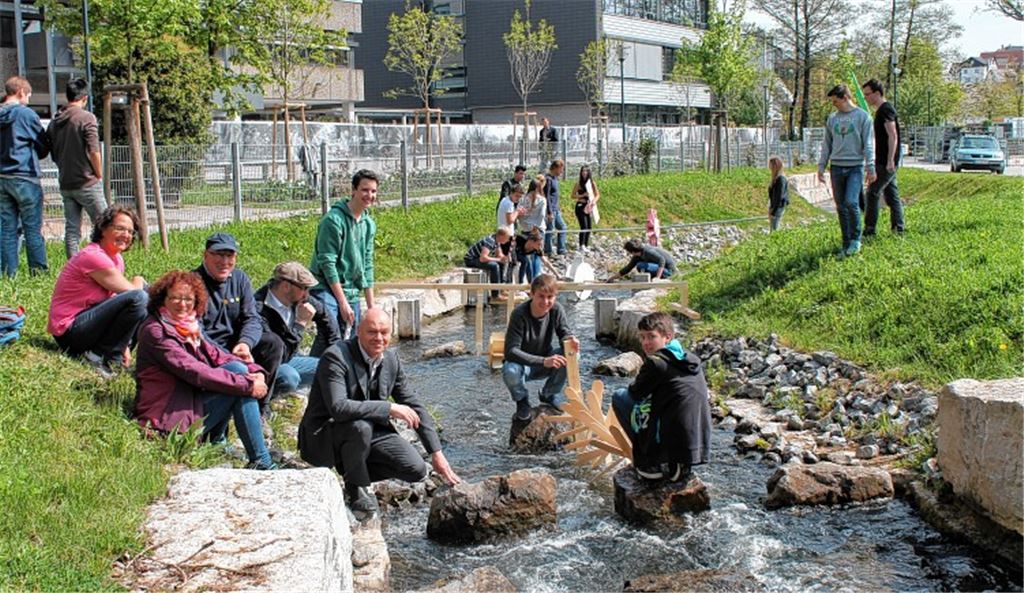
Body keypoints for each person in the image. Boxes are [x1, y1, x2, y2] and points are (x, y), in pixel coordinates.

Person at [298, 308, 461, 517]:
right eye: (372, 332)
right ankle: (356, 487)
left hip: (366, 434)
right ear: (359, 331)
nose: (379, 338)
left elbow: (414, 404)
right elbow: (338, 408)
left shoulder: (391, 360)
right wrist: (389, 408)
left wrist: (436, 453)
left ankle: (354, 471)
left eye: (384, 332)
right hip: (324, 436)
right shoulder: (335, 357)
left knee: (416, 469)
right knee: (361, 426)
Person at [134, 270, 275, 470]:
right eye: (175, 298)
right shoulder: (155, 331)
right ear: (162, 299)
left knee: (237, 368)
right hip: (168, 421)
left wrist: (255, 370)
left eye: (188, 299)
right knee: (240, 389)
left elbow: (218, 355)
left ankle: (224, 442)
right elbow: (194, 370)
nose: (182, 304)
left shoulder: (188, 327)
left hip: (190, 404)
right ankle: (262, 462)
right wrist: (247, 384)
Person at [47, 205, 147, 378]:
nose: (126, 235)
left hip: (89, 323)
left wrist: (126, 345)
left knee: (148, 294)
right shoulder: (93, 256)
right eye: (120, 228)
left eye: (131, 232)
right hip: (70, 331)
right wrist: (138, 279)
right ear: (103, 228)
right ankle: (98, 356)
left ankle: (117, 357)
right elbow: (132, 294)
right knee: (140, 295)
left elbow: (118, 302)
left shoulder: (116, 258)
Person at [611, 312, 711, 481]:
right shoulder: (690, 359)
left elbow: (635, 393)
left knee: (620, 397)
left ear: (668, 337)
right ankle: (679, 462)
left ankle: (649, 463)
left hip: (673, 433)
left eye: (652, 337)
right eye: (642, 337)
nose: (645, 343)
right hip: (697, 442)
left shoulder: (656, 363)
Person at [195, 232, 284, 409]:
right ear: (206, 255)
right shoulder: (194, 282)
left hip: (236, 346)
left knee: (274, 344)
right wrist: (228, 357)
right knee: (240, 370)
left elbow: (252, 318)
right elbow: (196, 331)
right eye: (219, 255)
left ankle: (261, 408)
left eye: (230, 256)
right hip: (207, 349)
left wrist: (245, 344)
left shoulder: (240, 278)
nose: (225, 261)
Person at [309, 169, 378, 352]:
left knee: (352, 339)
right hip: (325, 286)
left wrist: (371, 307)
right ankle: (314, 373)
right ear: (353, 190)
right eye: (365, 190)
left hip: (351, 289)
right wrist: (342, 302)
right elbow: (327, 264)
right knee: (332, 332)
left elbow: (367, 264)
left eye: (373, 191)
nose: (369, 195)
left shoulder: (368, 224)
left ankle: (332, 374)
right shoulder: (333, 220)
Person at [254, 261, 341, 396]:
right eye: (304, 288)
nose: (307, 294)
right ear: (286, 286)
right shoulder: (259, 309)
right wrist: (300, 325)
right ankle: (264, 401)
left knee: (333, 367)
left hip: (291, 357)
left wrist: (336, 350)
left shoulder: (300, 299)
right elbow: (278, 354)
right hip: (266, 364)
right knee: (289, 378)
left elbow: (326, 318)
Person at [502, 274, 579, 421]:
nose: (546, 301)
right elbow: (510, 351)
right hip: (522, 366)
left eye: (550, 297)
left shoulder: (556, 309)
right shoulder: (519, 314)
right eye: (541, 296)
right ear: (531, 294)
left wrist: (570, 339)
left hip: (546, 361)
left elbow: (564, 332)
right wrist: (544, 361)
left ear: (555, 296)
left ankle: (549, 394)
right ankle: (522, 400)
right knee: (510, 369)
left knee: (573, 354)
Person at [47, 78, 105, 258]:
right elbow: (94, 150)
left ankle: (73, 267)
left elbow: (53, 153)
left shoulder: (55, 121)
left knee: (72, 230)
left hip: (66, 183)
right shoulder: (86, 118)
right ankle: (103, 264)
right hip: (87, 181)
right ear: (85, 98)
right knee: (106, 225)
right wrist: (99, 173)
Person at [817, 84, 876, 257]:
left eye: (836, 101)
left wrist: (870, 167)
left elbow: (868, 144)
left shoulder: (863, 117)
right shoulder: (832, 118)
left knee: (851, 202)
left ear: (845, 98)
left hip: (855, 167)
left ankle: (856, 239)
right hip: (836, 166)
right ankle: (845, 242)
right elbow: (827, 143)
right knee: (841, 206)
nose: (834, 105)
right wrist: (821, 166)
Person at [0, 76, 49, 278]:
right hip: (24, 176)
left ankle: (7, 273)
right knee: (32, 229)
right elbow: (42, 145)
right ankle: (38, 273)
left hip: (2, 177)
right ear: (21, 92)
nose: (28, 98)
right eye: (28, 95)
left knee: (7, 229)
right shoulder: (26, 114)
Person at [861, 78, 905, 236]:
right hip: (882, 160)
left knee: (872, 193)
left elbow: (892, 135)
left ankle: (870, 230)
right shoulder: (881, 110)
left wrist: (890, 161)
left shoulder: (886, 109)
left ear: (877, 93)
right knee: (892, 196)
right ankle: (898, 229)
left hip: (886, 162)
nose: (865, 97)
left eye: (867, 94)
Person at [464, 227, 512, 299]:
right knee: (494, 266)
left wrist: (504, 258)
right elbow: (483, 258)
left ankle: (501, 289)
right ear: (502, 236)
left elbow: (499, 254)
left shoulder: (497, 241)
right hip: (471, 260)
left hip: (479, 259)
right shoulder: (490, 241)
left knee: (501, 263)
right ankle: (495, 295)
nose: (508, 240)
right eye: (507, 237)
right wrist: (499, 260)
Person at [607, 239, 676, 281]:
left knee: (641, 265)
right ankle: (654, 278)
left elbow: (662, 260)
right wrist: (612, 278)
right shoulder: (637, 256)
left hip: (668, 271)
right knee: (640, 266)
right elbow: (628, 268)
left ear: (633, 252)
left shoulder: (648, 251)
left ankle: (660, 277)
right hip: (660, 269)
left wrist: (657, 278)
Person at [571, 165, 600, 250]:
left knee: (589, 227)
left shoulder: (592, 183)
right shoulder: (578, 183)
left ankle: (586, 245)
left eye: (586, 171)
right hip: (580, 206)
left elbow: (597, 194)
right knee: (583, 226)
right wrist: (581, 195)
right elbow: (572, 195)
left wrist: (594, 201)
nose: (584, 173)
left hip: (589, 206)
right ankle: (581, 245)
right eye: (583, 171)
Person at [543, 159, 567, 257]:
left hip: (556, 210)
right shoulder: (548, 179)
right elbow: (547, 196)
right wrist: (549, 212)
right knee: (550, 230)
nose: (561, 172)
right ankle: (548, 250)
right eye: (561, 169)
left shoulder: (555, 179)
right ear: (556, 168)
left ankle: (561, 249)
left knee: (563, 227)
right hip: (551, 210)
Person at [767, 156, 789, 232]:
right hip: (774, 206)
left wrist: (773, 211)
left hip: (778, 207)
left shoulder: (781, 179)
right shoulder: (776, 178)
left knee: (774, 228)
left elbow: (779, 196)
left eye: (770, 165)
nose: (769, 168)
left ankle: (775, 242)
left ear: (775, 166)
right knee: (773, 227)